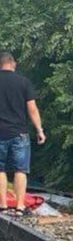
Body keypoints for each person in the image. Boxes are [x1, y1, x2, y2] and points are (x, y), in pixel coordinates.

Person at [0, 51, 46, 215]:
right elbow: (32, 110)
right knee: (20, 170)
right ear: (13, 63)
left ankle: (3, 205)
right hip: (19, 133)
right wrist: (39, 130)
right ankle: (20, 206)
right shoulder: (24, 82)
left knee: (0, 170)